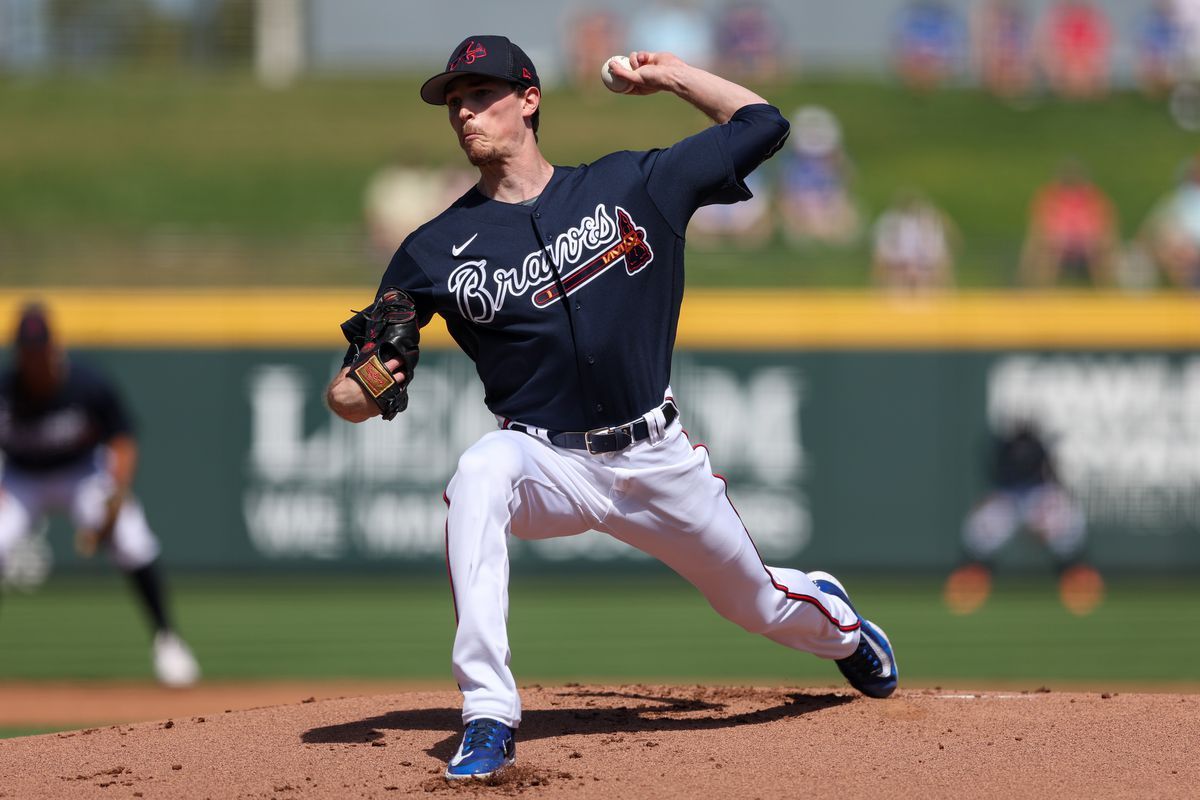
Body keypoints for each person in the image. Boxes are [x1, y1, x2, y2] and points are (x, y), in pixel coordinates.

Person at [325, 35, 898, 781]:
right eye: (455, 103)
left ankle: (845, 630)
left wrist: (673, 77)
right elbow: (345, 396)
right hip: (544, 457)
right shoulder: (432, 251)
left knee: (756, 604)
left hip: (655, 456)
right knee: (478, 474)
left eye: (482, 95)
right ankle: (489, 713)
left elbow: (763, 125)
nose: (466, 113)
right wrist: (369, 383)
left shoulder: (632, 185)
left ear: (530, 100)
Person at [0, 304, 200, 687]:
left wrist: (116, 491)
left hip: (82, 474)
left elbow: (122, 439)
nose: (33, 356)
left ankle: (167, 640)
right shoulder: (5, 391)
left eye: (39, 348)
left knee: (131, 538)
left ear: (52, 347)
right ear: (18, 352)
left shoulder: (86, 384)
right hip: (21, 479)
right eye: (26, 350)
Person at [944, 421, 1102, 617]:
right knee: (982, 526)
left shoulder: (1039, 449)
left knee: (1067, 521)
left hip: (1038, 496)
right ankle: (970, 582)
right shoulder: (1002, 447)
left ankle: (1077, 580)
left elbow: (1051, 477)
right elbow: (995, 478)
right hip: (1008, 496)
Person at [1019, 160, 1119, 287]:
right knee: (1047, 249)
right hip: (1058, 247)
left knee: (1101, 248)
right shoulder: (1051, 198)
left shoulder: (1092, 198)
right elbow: (1042, 227)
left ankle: (1106, 291)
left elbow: (1104, 226)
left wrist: (1092, 240)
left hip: (1087, 247)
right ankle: (1038, 291)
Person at [871, 189, 957, 292]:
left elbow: (937, 251)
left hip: (923, 262)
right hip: (901, 262)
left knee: (943, 263)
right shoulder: (890, 222)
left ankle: (945, 294)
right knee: (882, 264)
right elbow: (886, 250)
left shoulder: (930, 221)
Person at [1139, 154, 1200, 288]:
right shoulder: (1181, 198)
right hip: (1186, 248)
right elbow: (1156, 224)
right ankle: (1188, 291)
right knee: (1169, 247)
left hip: (1192, 249)